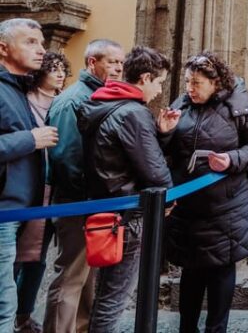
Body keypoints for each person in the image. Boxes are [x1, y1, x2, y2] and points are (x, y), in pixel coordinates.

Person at [162, 52, 248, 333]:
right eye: (187, 81)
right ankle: (187, 327)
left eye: (196, 83)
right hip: (187, 205)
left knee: (222, 267)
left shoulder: (239, 106)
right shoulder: (182, 104)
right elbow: (166, 150)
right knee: (191, 268)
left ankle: (216, 328)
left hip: (228, 205)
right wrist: (163, 132)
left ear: (215, 82)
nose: (189, 88)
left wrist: (231, 159)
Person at [78, 46, 179, 333]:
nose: (159, 91)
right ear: (145, 78)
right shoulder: (133, 113)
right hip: (127, 214)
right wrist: (168, 198)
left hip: (104, 207)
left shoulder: (100, 104)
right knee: (115, 295)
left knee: (105, 291)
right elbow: (154, 169)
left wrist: (160, 133)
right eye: (158, 82)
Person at [44, 39, 124, 333]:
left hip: (92, 202)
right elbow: (65, 158)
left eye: (121, 63)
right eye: (112, 61)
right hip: (78, 203)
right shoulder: (73, 100)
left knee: (86, 274)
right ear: (92, 62)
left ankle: (79, 328)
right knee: (70, 277)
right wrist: (87, 199)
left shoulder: (100, 96)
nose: (118, 68)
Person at [0, 18, 59, 331]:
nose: (41, 49)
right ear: (3, 48)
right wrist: (31, 139)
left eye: (41, 42)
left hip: (17, 211)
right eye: (30, 42)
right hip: (3, 211)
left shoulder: (17, 87)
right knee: (3, 303)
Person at [14, 51, 70, 333]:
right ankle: (13, 312)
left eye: (62, 69)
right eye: (53, 69)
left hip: (54, 188)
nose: (59, 74)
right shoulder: (24, 101)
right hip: (26, 187)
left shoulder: (66, 102)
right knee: (17, 256)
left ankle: (23, 312)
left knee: (38, 256)